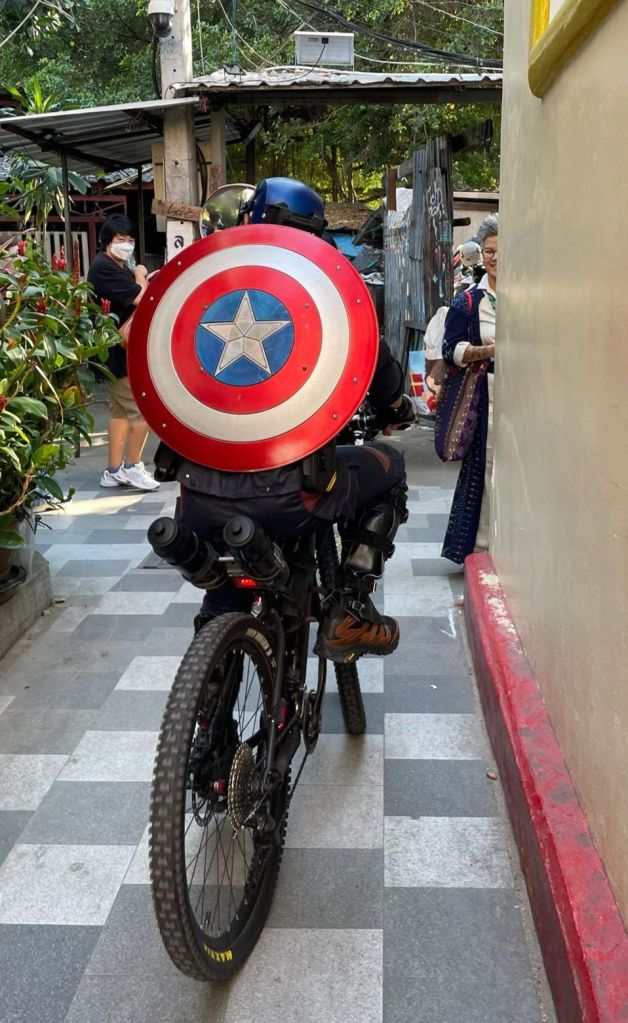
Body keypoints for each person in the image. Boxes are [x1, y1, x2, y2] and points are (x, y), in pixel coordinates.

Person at [168, 177, 414, 663]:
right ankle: (349, 607)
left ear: (249, 218)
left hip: (196, 500)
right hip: (291, 496)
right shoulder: (327, 288)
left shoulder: (208, 280)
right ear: (317, 231)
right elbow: (375, 357)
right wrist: (394, 407)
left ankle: (208, 686)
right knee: (390, 467)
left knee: (222, 594)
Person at [87, 214, 159, 491]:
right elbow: (141, 297)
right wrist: (140, 274)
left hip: (115, 351)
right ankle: (132, 466)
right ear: (107, 240)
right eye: (121, 239)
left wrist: (138, 275)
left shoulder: (115, 265)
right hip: (117, 351)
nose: (126, 244)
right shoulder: (104, 267)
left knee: (119, 411)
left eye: (130, 240)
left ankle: (113, 471)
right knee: (142, 411)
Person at [441, 214, 498, 563]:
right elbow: (452, 350)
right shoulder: (468, 302)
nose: (495, 257)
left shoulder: (532, 298)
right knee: (485, 468)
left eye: (502, 251)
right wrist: (489, 351)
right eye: (490, 251)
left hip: (525, 397)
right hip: (485, 395)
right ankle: (480, 549)